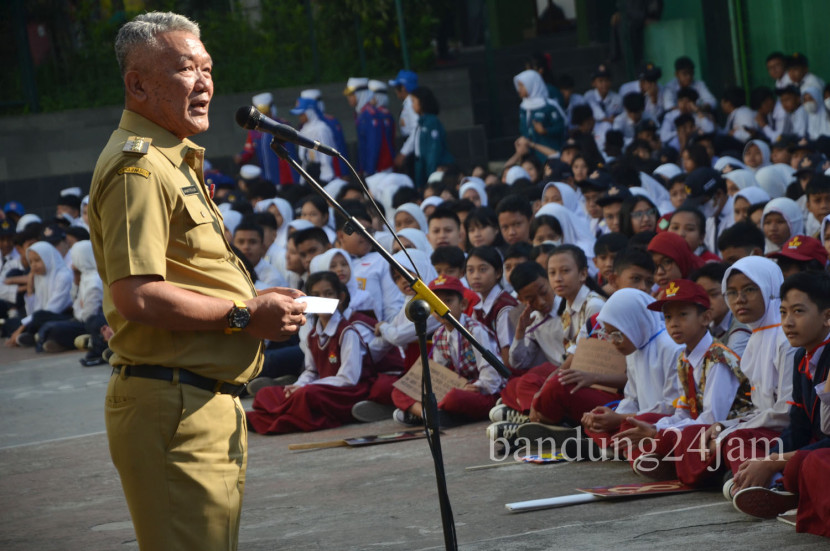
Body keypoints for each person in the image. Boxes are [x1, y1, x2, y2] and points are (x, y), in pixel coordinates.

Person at [88, 12, 307, 550]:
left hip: (200, 402)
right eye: (187, 69)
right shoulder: (137, 168)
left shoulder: (172, 156)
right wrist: (243, 316)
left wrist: (252, 300)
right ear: (137, 84)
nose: (205, 83)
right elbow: (135, 294)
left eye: (208, 68)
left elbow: (188, 272)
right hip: (174, 406)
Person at [615, 279, 748, 475]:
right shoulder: (684, 359)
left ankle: (683, 465)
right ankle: (667, 459)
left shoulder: (718, 359)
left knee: (686, 436)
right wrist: (655, 427)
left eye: (683, 315)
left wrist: (658, 433)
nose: (674, 324)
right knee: (643, 423)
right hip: (701, 428)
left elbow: (712, 419)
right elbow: (683, 413)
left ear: (705, 317)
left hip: (726, 429)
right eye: (668, 317)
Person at [247, 272, 380, 434]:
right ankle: (280, 414)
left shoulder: (347, 332)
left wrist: (306, 387)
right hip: (321, 388)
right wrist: (296, 385)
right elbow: (311, 371)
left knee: (306, 395)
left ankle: (275, 418)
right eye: (316, 295)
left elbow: (348, 378)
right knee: (265, 393)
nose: (322, 299)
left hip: (346, 391)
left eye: (328, 294)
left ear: (341, 297)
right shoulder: (312, 335)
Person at [391, 275, 505, 426]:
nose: (441, 308)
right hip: (458, 388)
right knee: (399, 390)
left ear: (463, 304)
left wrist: (476, 386)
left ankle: (421, 414)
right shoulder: (439, 334)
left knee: (455, 398)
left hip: (483, 392)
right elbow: (439, 373)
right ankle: (429, 416)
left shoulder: (475, 331)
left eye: (448, 301)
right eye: (435, 303)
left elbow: (492, 379)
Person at [5, 241, 73, 348]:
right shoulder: (41, 277)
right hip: (43, 317)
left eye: (37, 260)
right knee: (12, 323)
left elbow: (51, 310)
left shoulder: (64, 276)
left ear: (48, 258)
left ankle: (30, 334)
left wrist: (22, 327)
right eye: (31, 262)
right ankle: (33, 335)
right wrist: (30, 290)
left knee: (42, 321)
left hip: (64, 315)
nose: (33, 265)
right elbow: (33, 312)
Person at [690, 262, 751, 357]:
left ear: (729, 293)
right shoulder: (707, 323)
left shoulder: (741, 325)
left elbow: (729, 363)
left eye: (713, 294)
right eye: (701, 297)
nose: (706, 301)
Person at [513, 69, 566, 162]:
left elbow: (562, 127)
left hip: (549, 153)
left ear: (532, 85)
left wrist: (545, 131)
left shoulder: (549, 105)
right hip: (531, 156)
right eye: (519, 86)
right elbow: (523, 128)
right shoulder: (523, 107)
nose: (519, 89)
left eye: (522, 85)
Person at [410, 86, 454, 189]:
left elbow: (433, 151)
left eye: (413, 101)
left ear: (422, 102)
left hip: (434, 168)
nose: (412, 105)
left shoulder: (431, 122)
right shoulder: (422, 122)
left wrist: (431, 174)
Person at [290, 96, 336, 183]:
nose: (300, 117)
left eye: (302, 114)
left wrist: (326, 174)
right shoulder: (304, 129)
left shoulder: (321, 128)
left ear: (309, 112)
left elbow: (326, 153)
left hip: (321, 171)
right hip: (309, 169)